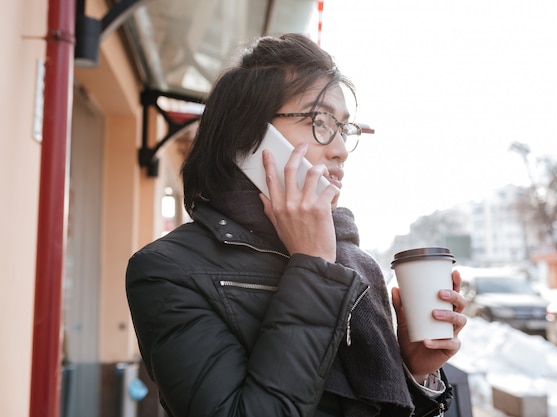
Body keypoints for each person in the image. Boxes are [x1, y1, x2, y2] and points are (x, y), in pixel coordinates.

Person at [126, 33, 467, 417]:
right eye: (319, 121)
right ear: (249, 137)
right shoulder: (166, 271)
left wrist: (413, 371)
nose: (339, 148)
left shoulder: (356, 265)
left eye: (344, 128)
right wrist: (313, 267)